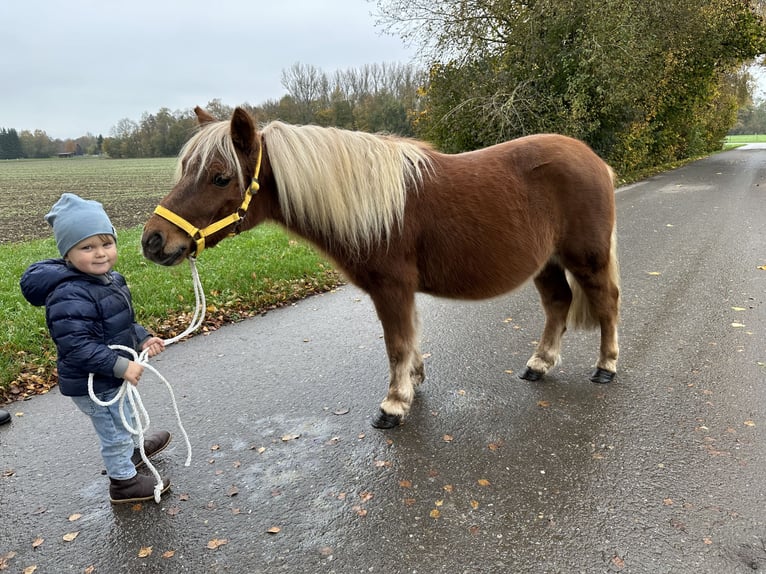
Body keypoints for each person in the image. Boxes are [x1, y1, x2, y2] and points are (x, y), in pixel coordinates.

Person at [20, 193, 172, 504]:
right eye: (87, 247)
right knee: (113, 432)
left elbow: (121, 321)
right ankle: (123, 483)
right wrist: (120, 366)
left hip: (111, 375)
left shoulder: (108, 279)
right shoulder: (69, 294)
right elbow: (77, 346)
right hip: (94, 383)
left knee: (124, 412)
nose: (101, 253)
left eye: (107, 243)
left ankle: (135, 449)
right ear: (68, 253)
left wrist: (143, 338)